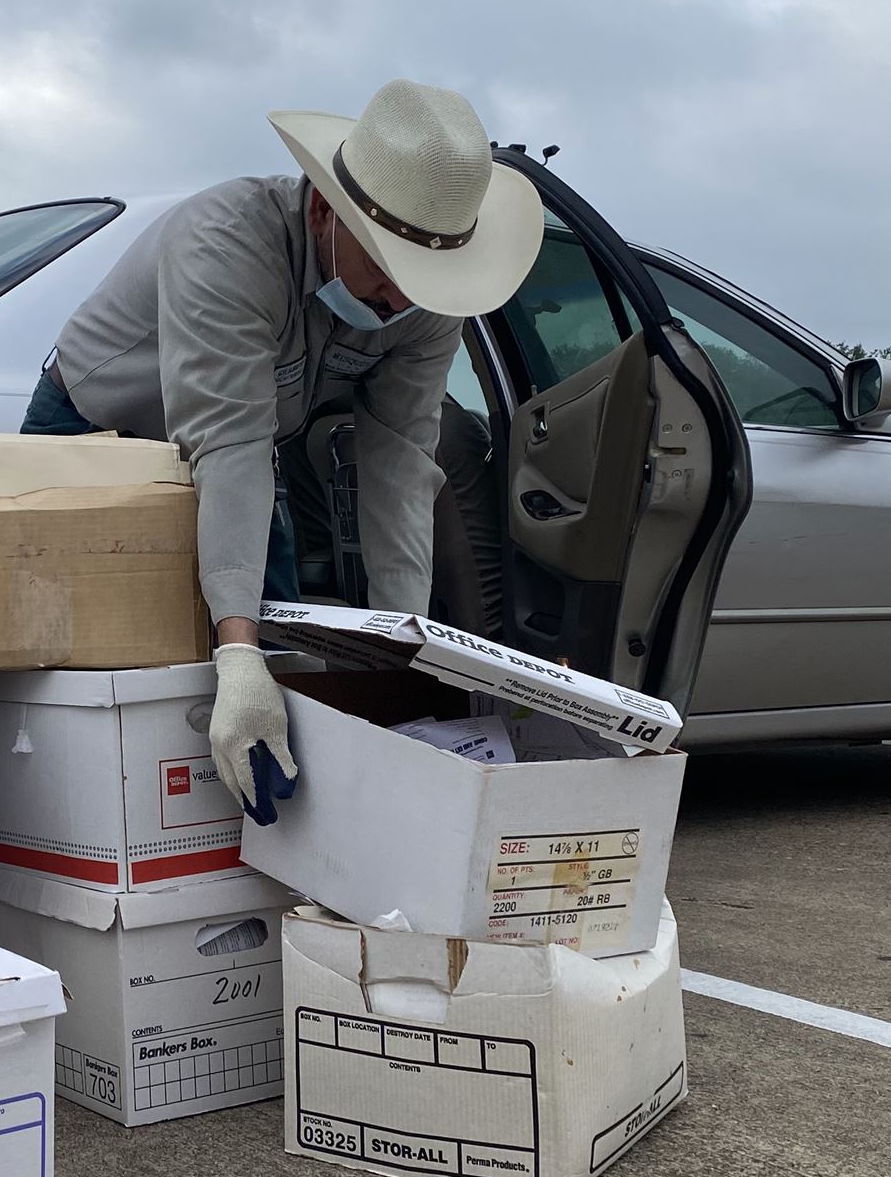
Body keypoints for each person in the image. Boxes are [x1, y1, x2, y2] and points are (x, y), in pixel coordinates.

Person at [32, 78, 540, 811]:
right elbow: (228, 439)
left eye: (422, 280)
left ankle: (248, 857)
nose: (399, 302)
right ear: (327, 209)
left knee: (275, 664)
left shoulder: (427, 300)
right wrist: (235, 655)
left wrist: (398, 652)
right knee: (78, 658)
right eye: (387, 271)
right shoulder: (228, 241)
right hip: (96, 429)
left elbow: (399, 462)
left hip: (247, 445)